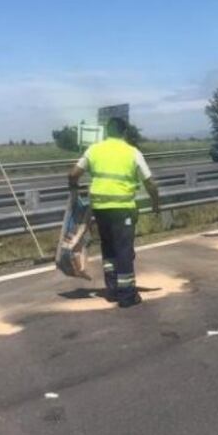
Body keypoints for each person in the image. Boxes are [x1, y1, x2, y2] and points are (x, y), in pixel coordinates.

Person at [68, 117, 160, 308]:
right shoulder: (132, 152)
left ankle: (112, 290)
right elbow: (150, 182)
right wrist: (155, 203)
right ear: (124, 132)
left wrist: (74, 191)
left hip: (101, 210)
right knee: (124, 251)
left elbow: (73, 174)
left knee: (109, 250)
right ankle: (127, 295)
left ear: (107, 131)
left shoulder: (94, 149)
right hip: (122, 209)